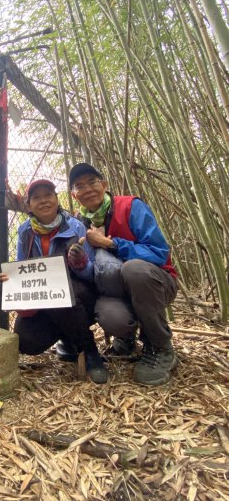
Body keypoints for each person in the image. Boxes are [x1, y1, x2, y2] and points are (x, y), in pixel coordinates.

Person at [68, 163, 179, 386]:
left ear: (104, 184)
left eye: (92, 182)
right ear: (74, 195)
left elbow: (159, 253)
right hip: (117, 291)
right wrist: (79, 262)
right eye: (80, 186)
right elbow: (91, 272)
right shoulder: (80, 223)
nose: (87, 189)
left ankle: (160, 347)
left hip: (155, 282)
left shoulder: (130, 206)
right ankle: (126, 338)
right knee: (111, 316)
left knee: (133, 269)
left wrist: (111, 243)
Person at [0, 179, 109, 384]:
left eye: (48, 195)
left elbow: (93, 273)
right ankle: (68, 337)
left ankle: (89, 350)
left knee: (63, 295)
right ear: (29, 204)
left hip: (80, 294)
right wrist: (12, 280)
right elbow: (22, 267)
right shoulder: (25, 231)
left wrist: (80, 263)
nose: (43, 201)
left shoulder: (76, 226)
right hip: (48, 298)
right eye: (36, 197)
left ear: (57, 200)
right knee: (26, 342)